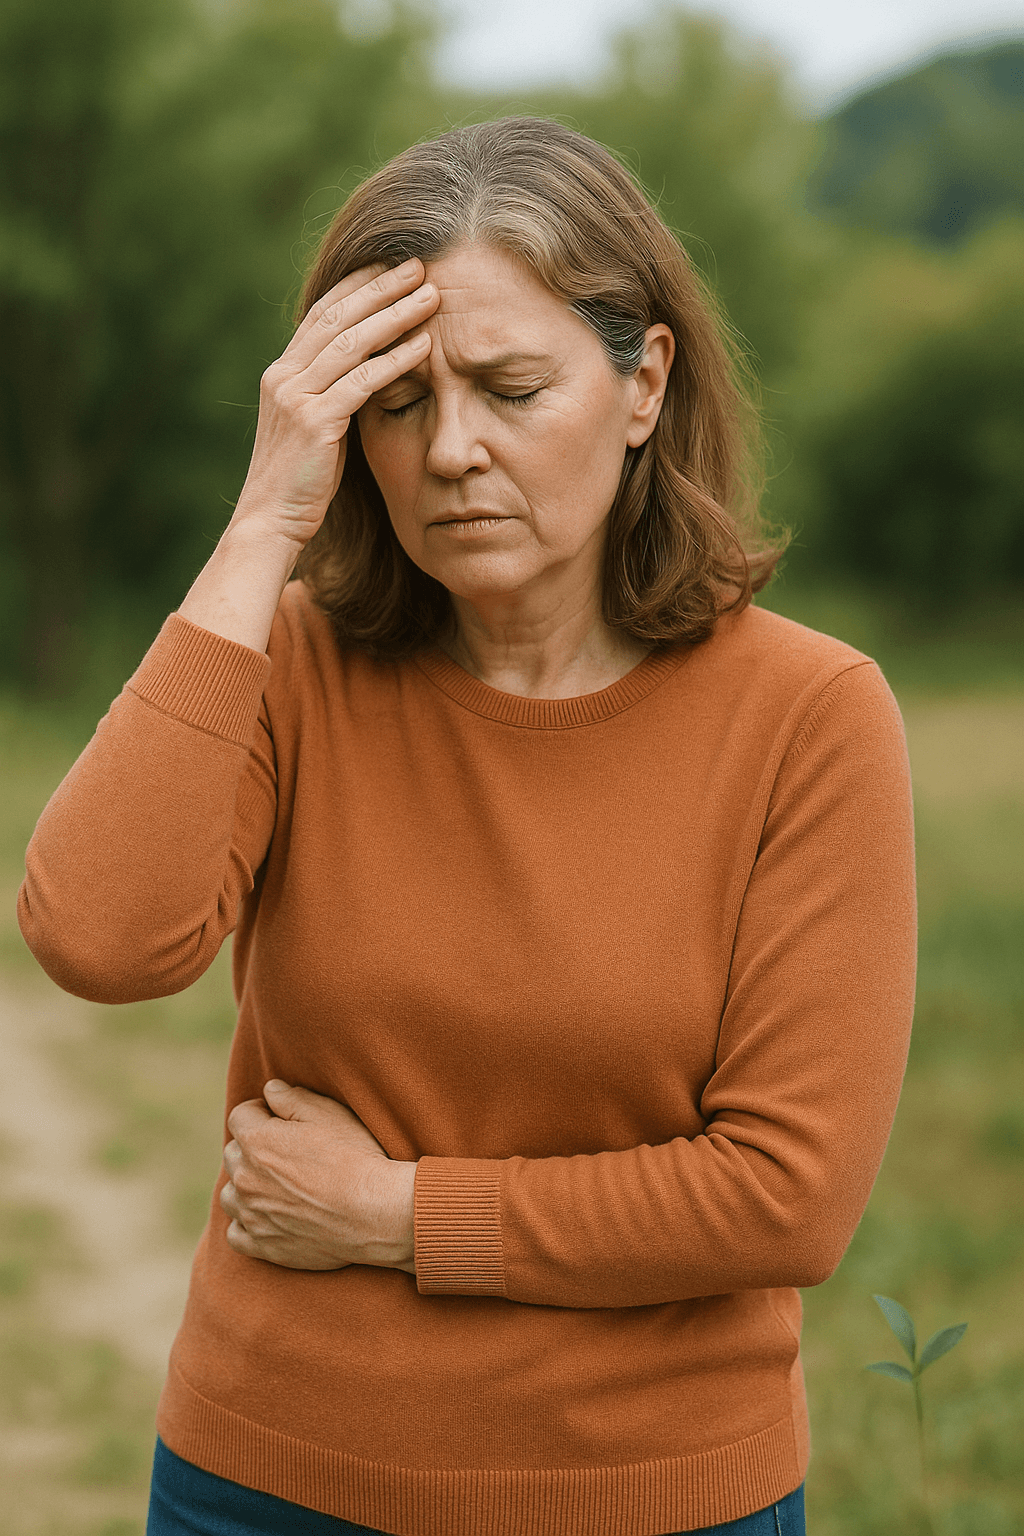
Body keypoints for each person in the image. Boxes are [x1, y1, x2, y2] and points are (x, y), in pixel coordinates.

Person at [18, 117, 917, 1536]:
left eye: (511, 389)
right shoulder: (294, 664)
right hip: (265, 1484)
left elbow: (785, 1202)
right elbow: (97, 938)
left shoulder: (808, 715)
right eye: (396, 402)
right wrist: (262, 524)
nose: (450, 450)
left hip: (653, 1500)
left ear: (643, 383)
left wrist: (396, 1216)